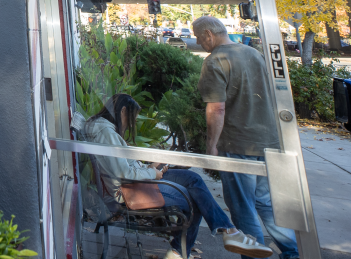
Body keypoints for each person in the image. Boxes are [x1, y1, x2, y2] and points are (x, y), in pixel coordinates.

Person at [83, 94, 268, 259]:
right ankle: (188, 248)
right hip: (131, 191)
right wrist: (153, 173)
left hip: (136, 183)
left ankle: (226, 232)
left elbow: (123, 167)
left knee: (193, 179)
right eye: (131, 118)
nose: (131, 124)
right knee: (195, 200)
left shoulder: (104, 130)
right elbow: (123, 173)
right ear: (123, 110)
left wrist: (149, 167)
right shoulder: (105, 133)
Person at [195, 15, 299, 259]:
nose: (199, 42)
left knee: (243, 207)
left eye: (199, 38)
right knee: (266, 202)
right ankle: (292, 253)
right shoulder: (253, 53)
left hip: (238, 143)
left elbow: (216, 108)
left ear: (209, 34)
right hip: (268, 141)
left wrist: (211, 146)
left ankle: (253, 255)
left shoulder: (215, 60)